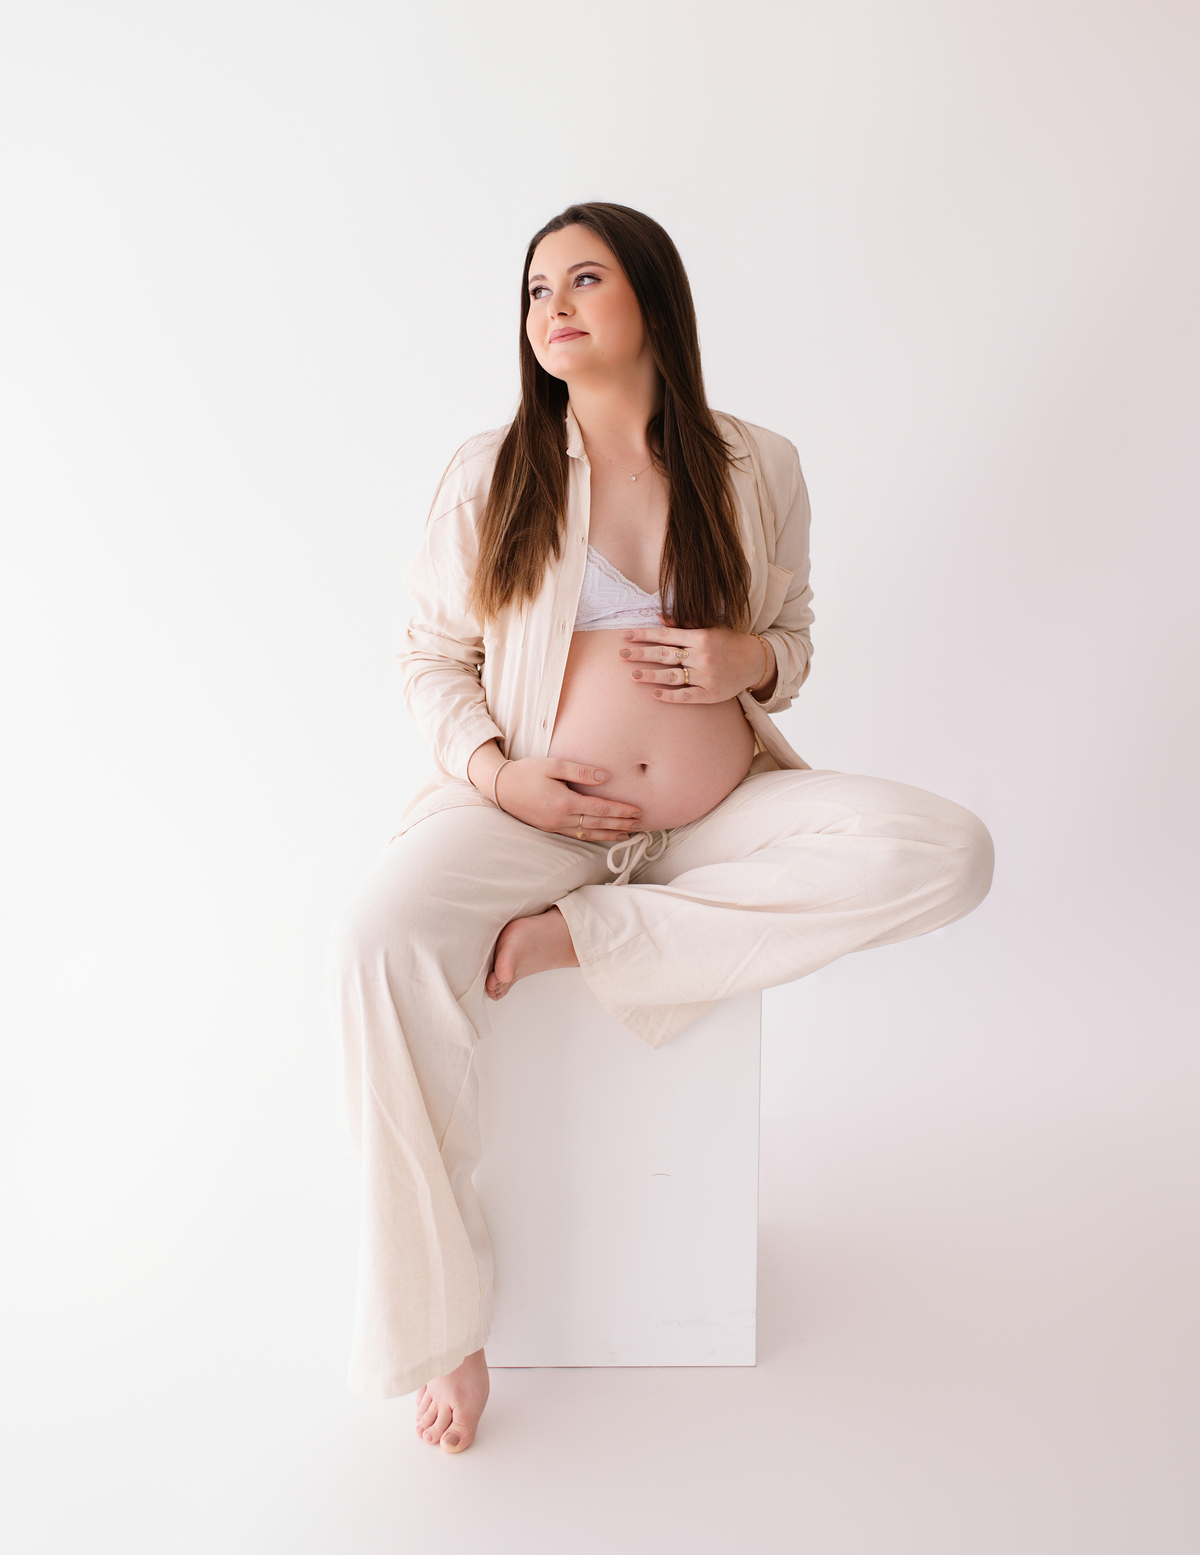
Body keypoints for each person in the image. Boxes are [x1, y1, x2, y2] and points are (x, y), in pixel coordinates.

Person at [331, 201, 994, 1454]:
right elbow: (430, 657)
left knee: (945, 848)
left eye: (584, 279)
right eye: (535, 291)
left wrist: (754, 654)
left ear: (654, 300)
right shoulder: (492, 471)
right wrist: (496, 772)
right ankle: (443, 1322)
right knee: (377, 934)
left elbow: (791, 644)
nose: (554, 308)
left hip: (718, 814)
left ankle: (594, 938)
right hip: (538, 813)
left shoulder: (758, 464)